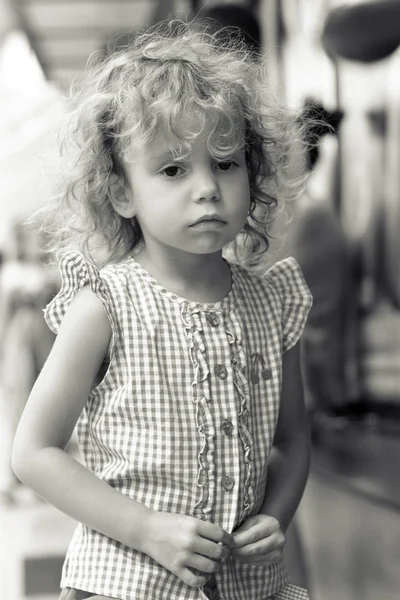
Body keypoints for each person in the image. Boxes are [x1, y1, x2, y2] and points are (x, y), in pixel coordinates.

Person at [12, 20, 312, 600]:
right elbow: (33, 452)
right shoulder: (105, 305)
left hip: (247, 585)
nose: (206, 188)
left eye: (225, 162)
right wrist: (145, 529)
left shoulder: (274, 304)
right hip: (128, 583)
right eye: (173, 169)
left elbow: (293, 440)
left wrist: (278, 514)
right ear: (122, 192)